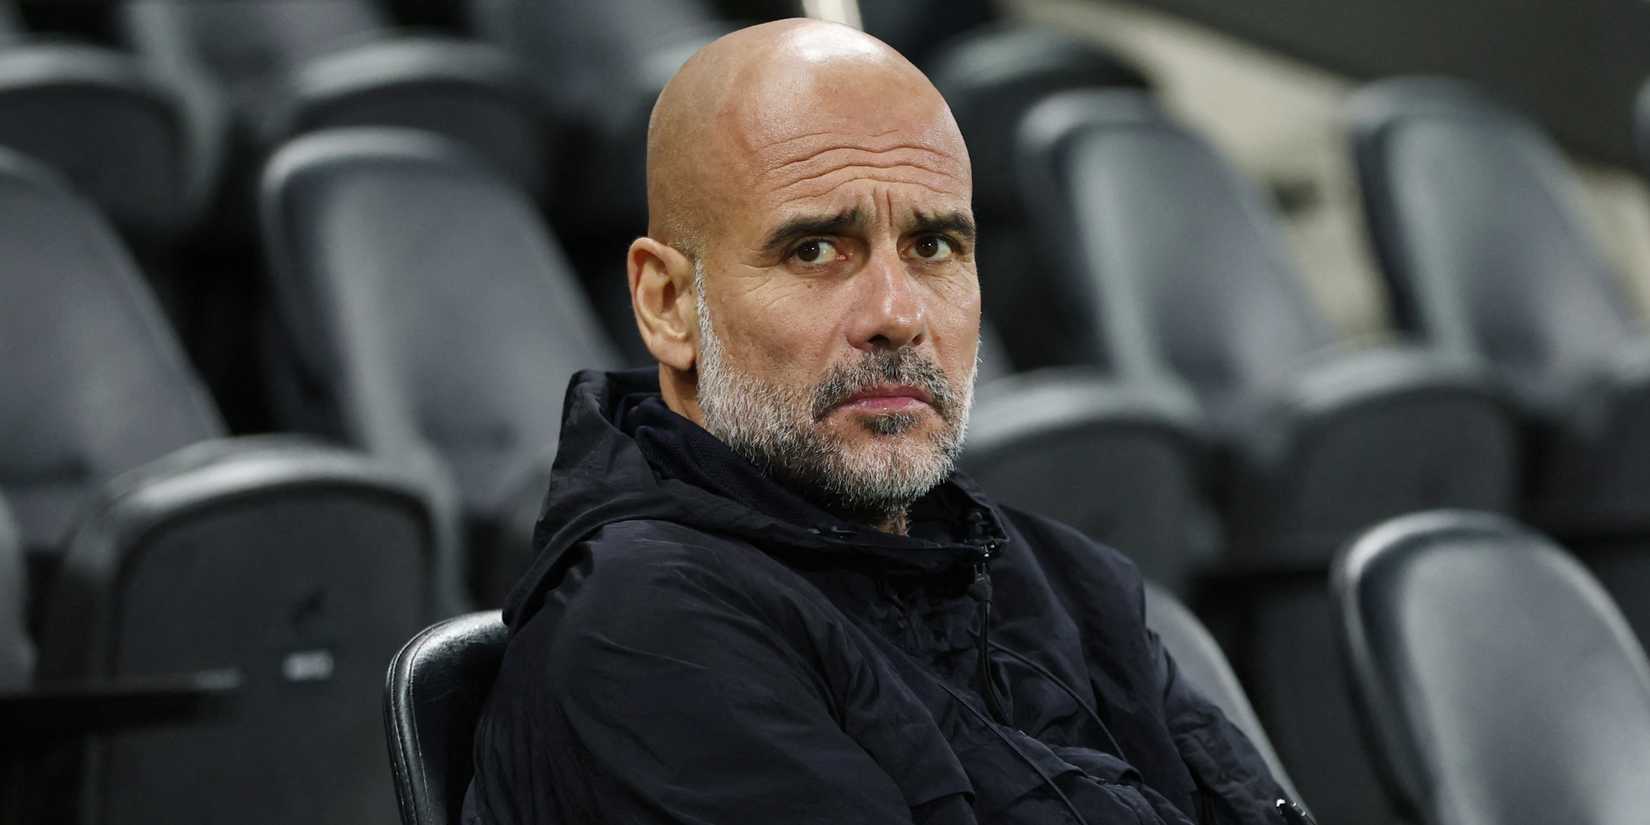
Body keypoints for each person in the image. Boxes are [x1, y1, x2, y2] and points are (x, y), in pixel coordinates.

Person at [467, 19, 1298, 824]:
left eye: (934, 247)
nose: (897, 315)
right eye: (817, 250)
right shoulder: (647, 629)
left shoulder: (1062, 579)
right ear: (669, 304)